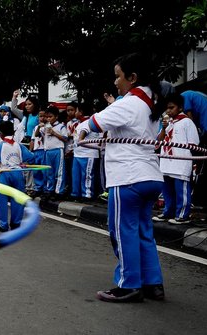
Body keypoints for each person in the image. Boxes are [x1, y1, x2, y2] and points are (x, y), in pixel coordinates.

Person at [77, 52, 165, 303]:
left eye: (118, 77)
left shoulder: (129, 103)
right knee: (143, 231)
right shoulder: (151, 101)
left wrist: (80, 131)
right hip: (150, 176)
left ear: (132, 77)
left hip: (127, 178)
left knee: (122, 232)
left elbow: (93, 123)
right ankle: (153, 283)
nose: (115, 82)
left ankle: (129, 285)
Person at [153, 93, 199, 224]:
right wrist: (164, 128)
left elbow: (194, 144)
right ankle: (169, 212)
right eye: (166, 108)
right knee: (167, 191)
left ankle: (183, 215)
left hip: (180, 163)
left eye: (171, 107)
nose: (168, 111)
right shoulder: (168, 123)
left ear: (180, 108)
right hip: (166, 163)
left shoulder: (187, 122)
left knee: (181, 191)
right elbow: (158, 142)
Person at [0, 121, 34, 232]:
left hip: (5, 173)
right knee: (17, 197)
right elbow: (31, 157)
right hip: (18, 173)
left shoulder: (0, 146)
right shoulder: (19, 145)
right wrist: (23, 163)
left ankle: (3, 225)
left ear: (1, 133)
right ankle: (16, 223)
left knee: (2, 199)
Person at [180, 90, 207, 220]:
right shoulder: (196, 94)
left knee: (204, 166)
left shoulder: (184, 96)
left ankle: (202, 202)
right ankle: (204, 202)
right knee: (206, 165)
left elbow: (188, 121)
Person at [41, 106, 68, 198]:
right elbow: (39, 135)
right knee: (49, 172)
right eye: (47, 117)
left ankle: (59, 191)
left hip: (57, 150)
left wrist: (54, 133)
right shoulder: (46, 127)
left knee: (59, 172)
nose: (48, 119)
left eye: (50, 117)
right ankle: (50, 190)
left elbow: (65, 138)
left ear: (56, 116)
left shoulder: (61, 126)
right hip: (48, 151)